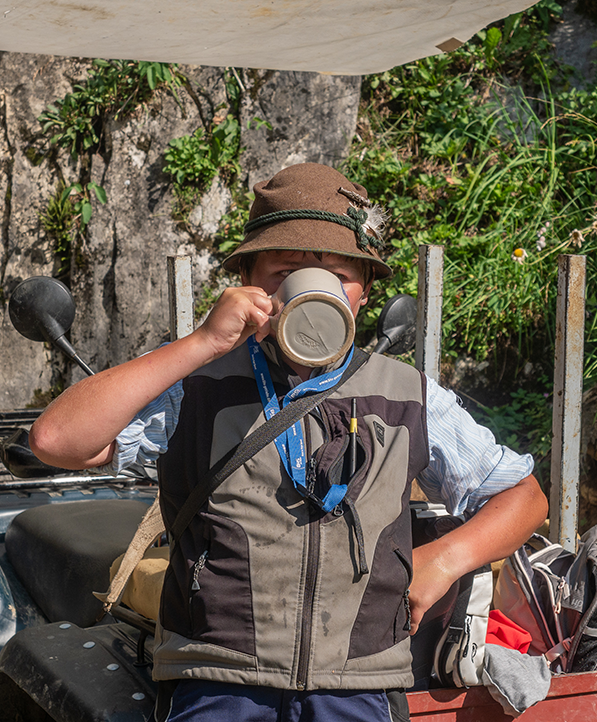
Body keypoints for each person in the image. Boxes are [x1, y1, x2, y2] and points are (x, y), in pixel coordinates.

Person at [29, 162, 548, 722]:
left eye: (338, 277)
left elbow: (524, 497)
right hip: (219, 678)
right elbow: (56, 440)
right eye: (285, 271)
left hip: (357, 682)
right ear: (249, 281)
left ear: (365, 291)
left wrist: (444, 560)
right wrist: (203, 342)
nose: (312, 289)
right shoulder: (200, 388)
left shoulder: (406, 397)